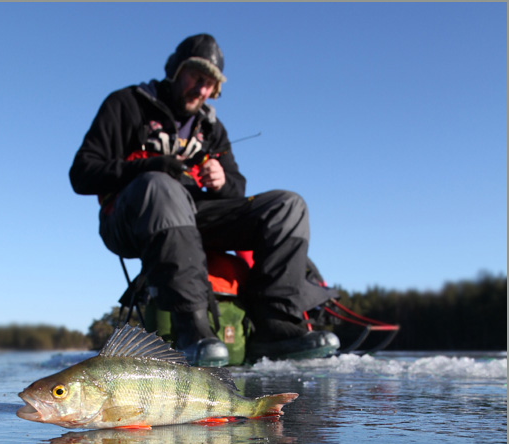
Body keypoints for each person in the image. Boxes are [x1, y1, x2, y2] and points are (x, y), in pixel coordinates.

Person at [70, 33, 339, 366]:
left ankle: (276, 326)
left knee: (288, 207)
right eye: (196, 78)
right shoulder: (126, 104)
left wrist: (222, 181)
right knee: (161, 187)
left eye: (210, 84)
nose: (202, 89)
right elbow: (82, 173)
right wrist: (152, 166)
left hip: (196, 218)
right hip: (130, 218)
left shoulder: (212, 129)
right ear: (175, 70)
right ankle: (192, 330)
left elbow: (237, 192)